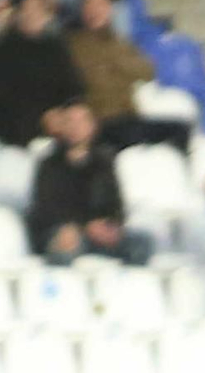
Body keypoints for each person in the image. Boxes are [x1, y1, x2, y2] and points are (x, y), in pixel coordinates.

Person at [29, 103, 152, 266]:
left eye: (81, 122)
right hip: (68, 232)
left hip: (99, 234)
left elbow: (115, 204)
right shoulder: (49, 165)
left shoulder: (104, 162)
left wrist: (110, 226)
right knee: (63, 249)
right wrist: (83, 227)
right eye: (69, 122)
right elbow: (46, 209)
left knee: (142, 242)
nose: (75, 127)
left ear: (92, 126)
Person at [67, 0, 182, 152]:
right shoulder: (73, 44)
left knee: (180, 131)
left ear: (110, 8)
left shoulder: (120, 42)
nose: (95, 9)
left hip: (129, 117)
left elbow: (148, 71)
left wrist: (114, 59)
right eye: (89, 3)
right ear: (82, 9)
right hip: (100, 121)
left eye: (101, 3)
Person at [0, 0, 83, 148]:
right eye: (27, 10)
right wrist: (42, 118)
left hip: (61, 122)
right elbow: (2, 99)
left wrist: (65, 112)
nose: (33, 15)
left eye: (39, 10)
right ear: (17, 14)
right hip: (18, 128)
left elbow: (73, 86)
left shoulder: (56, 48)